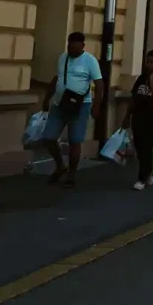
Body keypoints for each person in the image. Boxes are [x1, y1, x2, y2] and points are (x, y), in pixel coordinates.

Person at [39, 30, 103, 188]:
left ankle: (72, 172)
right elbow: (57, 78)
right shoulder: (63, 58)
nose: (71, 50)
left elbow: (100, 84)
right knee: (48, 137)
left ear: (82, 46)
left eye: (74, 47)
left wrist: (97, 105)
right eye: (69, 46)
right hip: (60, 104)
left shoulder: (90, 61)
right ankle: (60, 165)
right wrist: (47, 97)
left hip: (80, 106)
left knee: (75, 140)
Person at [121, 49, 153, 191]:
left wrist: (152, 78)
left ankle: (141, 179)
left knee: (146, 146)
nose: (148, 65)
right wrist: (127, 116)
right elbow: (133, 97)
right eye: (147, 62)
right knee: (139, 145)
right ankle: (149, 170)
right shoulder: (141, 79)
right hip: (138, 116)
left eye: (151, 62)